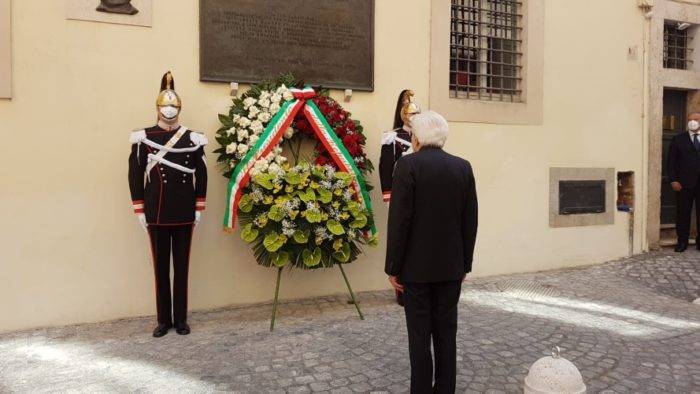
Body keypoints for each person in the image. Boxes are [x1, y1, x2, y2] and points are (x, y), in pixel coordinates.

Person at [385, 110, 478, 393]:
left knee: (419, 337)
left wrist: (393, 268)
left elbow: (400, 220)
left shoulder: (407, 166)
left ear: (417, 139)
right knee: (447, 334)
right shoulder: (463, 167)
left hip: (416, 270)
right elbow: (469, 221)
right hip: (451, 268)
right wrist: (465, 264)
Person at [128, 71, 208, 337]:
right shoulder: (144, 137)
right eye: (166, 105)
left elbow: (202, 173)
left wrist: (199, 207)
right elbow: (135, 174)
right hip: (157, 211)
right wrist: (139, 208)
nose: (170, 110)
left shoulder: (192, 138)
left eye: (174, 105)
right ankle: (164, 320)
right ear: (158, 108)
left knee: (182, 268)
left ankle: (181, 319)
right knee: (161, 269)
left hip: (184, 210)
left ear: (180, 107)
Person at [379, 90, 420, 306]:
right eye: (410, 113)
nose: (413, 118)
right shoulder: (392, 137)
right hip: (401, 195)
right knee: (401, 239)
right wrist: (388, 196)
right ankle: (402, 290)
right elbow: (386, 167)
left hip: (422, 196)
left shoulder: (425, 136)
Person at [668, 112, 700, 252]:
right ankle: (682, 242)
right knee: (682, 214)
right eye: (690, 120)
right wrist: (673, 180)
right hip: (683, 184)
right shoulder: (678, 139)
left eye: (695, 119)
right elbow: (671, 162)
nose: (692, 122)